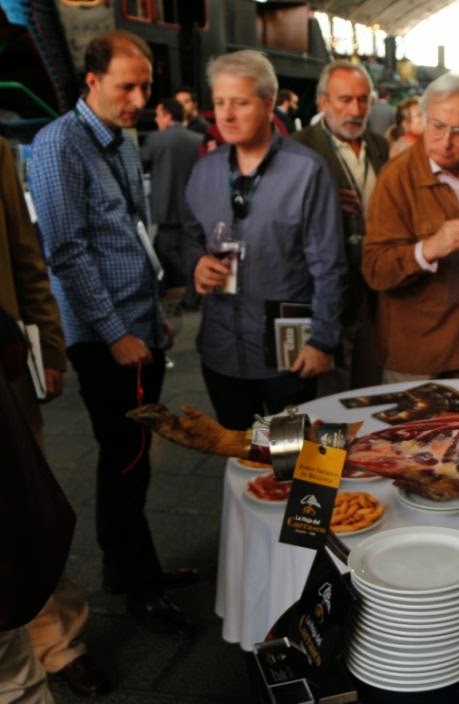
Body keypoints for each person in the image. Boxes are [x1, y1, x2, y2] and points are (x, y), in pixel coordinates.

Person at [29, 29, 198, 637]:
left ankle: (127, 570)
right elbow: (67, 255)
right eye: (127, 85)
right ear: (92, 81)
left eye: (146, 85)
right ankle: (140, 588)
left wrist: (153, 319)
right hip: (106, 337)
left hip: (139, 322)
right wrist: (117, 334)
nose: (139, 97)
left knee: (132, 458)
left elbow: (131, 232)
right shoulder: (58, 146)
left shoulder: (122, 142)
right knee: (125, 460)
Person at [0, 136, 111, 698]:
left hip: (3, 375)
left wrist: (48, 343)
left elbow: (26, 256)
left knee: (23, 512)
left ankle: (57, 643)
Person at [184, 50, 345, 430]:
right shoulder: (205, 171)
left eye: (239, 102)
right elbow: (188, 237)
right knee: (240, 457)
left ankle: (306, 491)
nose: (226, 115)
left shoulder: (306, 171)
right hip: (222, 348)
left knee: (299, 463)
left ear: (269, 103)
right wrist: (195, 262)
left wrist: (322, 340)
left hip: (290, 347)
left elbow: (329, 264)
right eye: (220, 103)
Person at [362, 72, 459, 381]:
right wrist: (429, 249)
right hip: (420, 356)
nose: (445, 143)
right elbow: (374, 269)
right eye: (436, 126)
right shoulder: (396, 178)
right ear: (423, 118)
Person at [293, 60, 388, 391]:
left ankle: (364, 445)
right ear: (322, 102)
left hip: (375, 295)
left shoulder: (380, 147)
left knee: (367, 389)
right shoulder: (298, 149)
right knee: (326, 397)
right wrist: (324, 203)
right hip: (324, 296)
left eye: (363, 100)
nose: (356, 109)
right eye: (345, 99)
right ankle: (323, 448)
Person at [140, 97, 202, 296]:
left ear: (167, 116)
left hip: (166, 207)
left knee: (167, 249)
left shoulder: (156, 139)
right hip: (193, 207)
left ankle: (193, 282)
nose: (156, 120)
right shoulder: (197, 139)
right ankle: (191, 292)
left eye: (158, 115)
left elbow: (140, 162)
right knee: (187, 249)